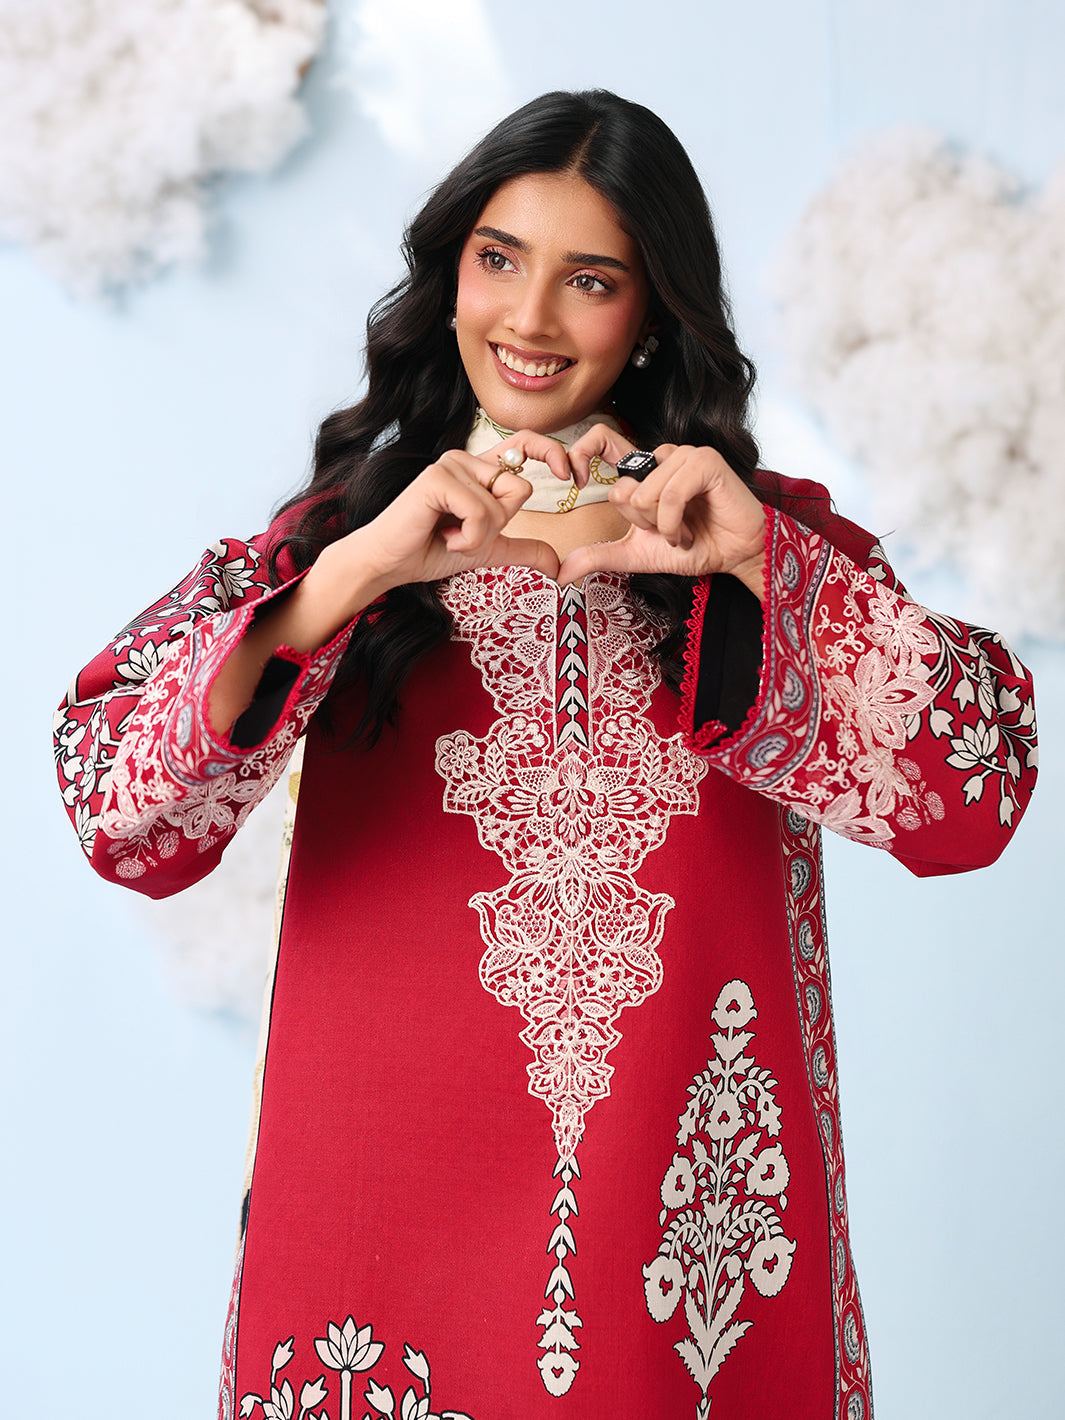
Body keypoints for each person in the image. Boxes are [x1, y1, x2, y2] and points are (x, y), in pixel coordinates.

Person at [54, 91, 1036, 1420]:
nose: (527, 318)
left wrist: (759, 560)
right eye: (499, 259)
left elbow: (973, 795)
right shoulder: (337, 548)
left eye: (590, 280)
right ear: (450, 270)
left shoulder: (761, 549)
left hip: (671, 1248)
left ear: (651, 315)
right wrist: (349, 577)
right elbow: (123, 818)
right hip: (372, 1240)